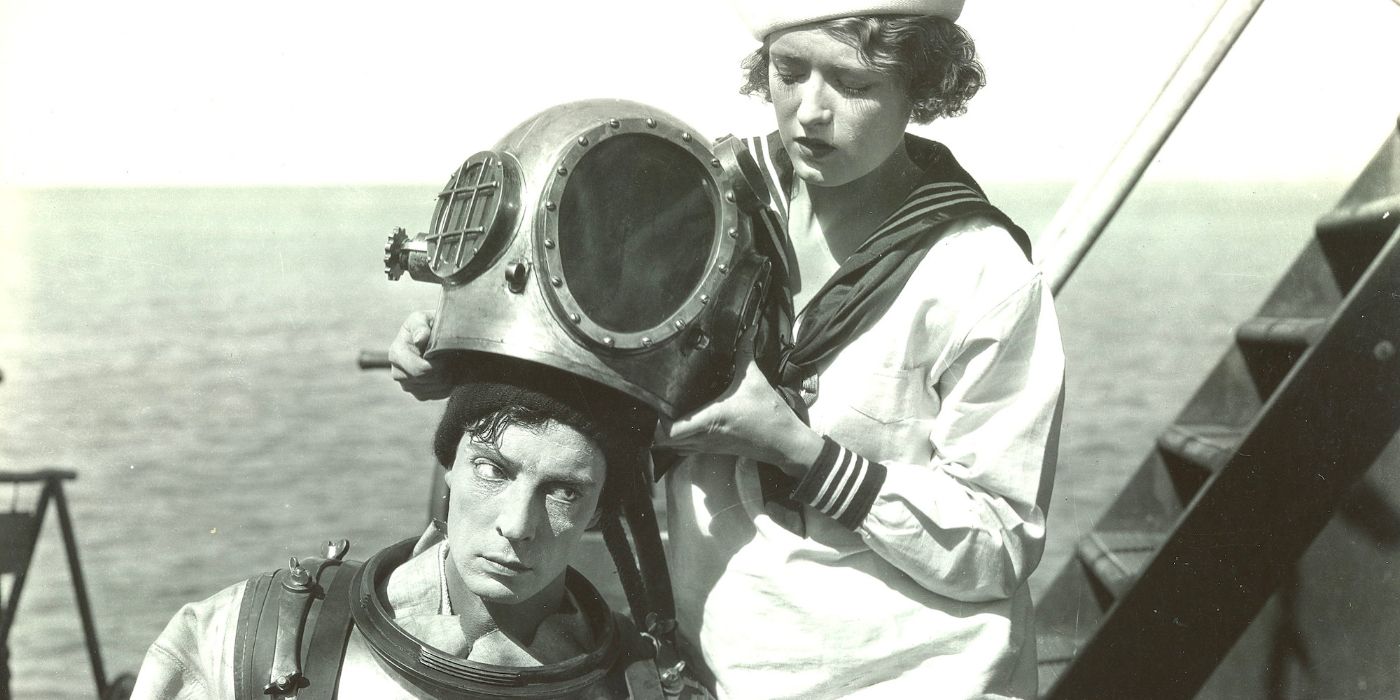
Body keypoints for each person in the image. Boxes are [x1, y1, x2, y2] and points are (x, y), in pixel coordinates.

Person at [389, 2, 1065, 697]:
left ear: (921, 84)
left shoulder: (983, 276)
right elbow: (588, 371)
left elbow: (1000, 541)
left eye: (855, 85)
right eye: (789, 71)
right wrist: (471, 360)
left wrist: (798, 452)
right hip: (716, 671)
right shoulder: (695, 200)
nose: (810, 112)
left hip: (920, 678)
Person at [131, 357, 685, 699]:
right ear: (450, 468)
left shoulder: (643, 686)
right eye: (493, 470)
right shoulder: (247, 641)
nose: (518, 525)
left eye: (564, 491)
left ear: (598, 512)